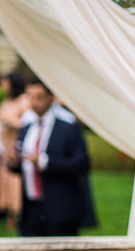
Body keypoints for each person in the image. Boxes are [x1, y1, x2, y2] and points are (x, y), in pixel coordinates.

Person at [8, 79, 92, 236]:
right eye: (30, 97)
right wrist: (13, 162)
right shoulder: (27, 127)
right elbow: (21, 166)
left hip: (60, 208)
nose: (34, 102)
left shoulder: (67, 128)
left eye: (39, 97)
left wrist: (44, 162)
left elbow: (82, 163)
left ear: (51, 97)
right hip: (30, 209)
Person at [0, 72, 30, 230]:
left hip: (18, 146)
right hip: (6, 147)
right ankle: (9, 215)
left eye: (5, 83)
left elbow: (28, 122)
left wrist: (9, 120)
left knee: (16, 182)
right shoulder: (6, 100)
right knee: (6, 181)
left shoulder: (24, 101)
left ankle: (20, 214)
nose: (2, 86)